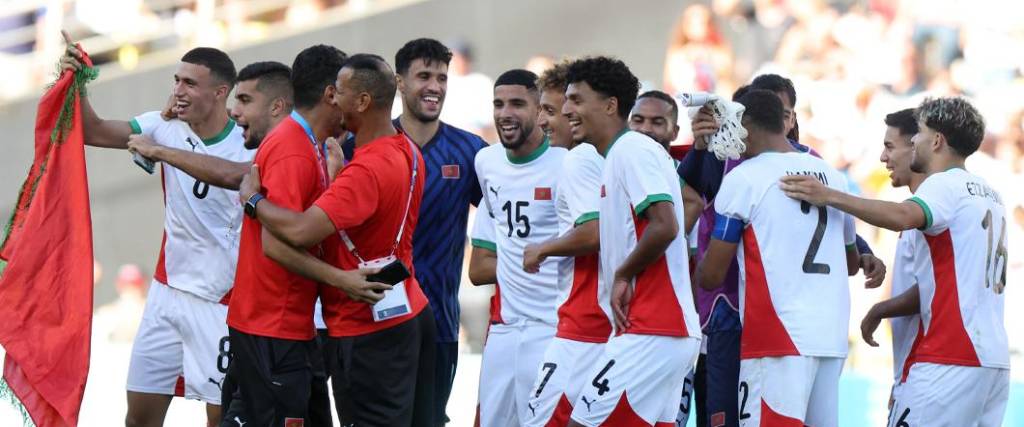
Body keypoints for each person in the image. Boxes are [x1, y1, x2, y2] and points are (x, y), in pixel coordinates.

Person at [782, 97, 1010, 426]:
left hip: (950, 356)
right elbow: (954, 279)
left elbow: (903, 215)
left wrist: (830, 195)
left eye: (919, 133)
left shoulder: (943, 186)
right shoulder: (990, 193)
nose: (914, 139)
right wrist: (883, 308)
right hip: (993, 361)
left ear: (936, 140)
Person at [60, 32, 249, 427]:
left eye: (190, 83)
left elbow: (237, 177)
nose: (178, 90)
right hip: (166, 295)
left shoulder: (248, 142)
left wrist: (161, 152)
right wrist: (75, 81)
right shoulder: (162, 125)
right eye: (176, 81)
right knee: (140, 418)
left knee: (221, 420)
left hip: (220, 301)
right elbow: (91, 131)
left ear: (220, 92)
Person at [240, 53, 436, 426]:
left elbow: (297, 230)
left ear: (363, 102)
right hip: (411, 309)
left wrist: (253, 199)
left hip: (366, 328)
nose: (333, 98)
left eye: (340, 92)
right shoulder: (407, 149)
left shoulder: (363, 171)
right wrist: (336, 178)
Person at [678, 74, 884, 427]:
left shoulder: (744, 177)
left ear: (745, 125)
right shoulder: (831, 176)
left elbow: (712, 275)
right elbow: (850, 262)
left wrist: (691, 265)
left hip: (775, 336)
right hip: (830, 337)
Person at [563, 56, 699, 427]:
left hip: (654, 328)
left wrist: (623, 274)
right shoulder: (619, 155)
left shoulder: (631, 150)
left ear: (609, 106)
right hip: (658, 330)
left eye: (576, 100)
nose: (566, 110)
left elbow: (665, 224)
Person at [386, 38, 489, 425]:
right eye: (423, 76)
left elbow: (504, 215)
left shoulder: (470, 150)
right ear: (399, 81)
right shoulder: (367, 146)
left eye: (442, 77)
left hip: (440, 322)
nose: (435, 86)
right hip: (375, 320)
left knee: (429, 420)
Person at [472, 69, 567, 427]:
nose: (504, 113)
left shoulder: (566, 163)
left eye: (517, 103)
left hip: (553, 326)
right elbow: (481, 263)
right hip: (505, 327)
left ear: (540, 109)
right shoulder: (487, 162)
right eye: (498, 104)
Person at [520, 60, 605, 427]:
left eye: (550, 110)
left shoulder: (580, 159)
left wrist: (543, 248)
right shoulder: (614, 156)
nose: (541, 121)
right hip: (604, 323)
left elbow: (595, 233)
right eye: (541, 110)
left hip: (583, 326)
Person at [856, 108, 924, 423]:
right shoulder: (918, 205)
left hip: (931, 369)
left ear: (919, 146)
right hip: (914, 370)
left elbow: (931, 291)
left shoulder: (930, 209)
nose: (883, 157)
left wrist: (879, 310)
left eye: (890, 146)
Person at [629, 90, 704, 234]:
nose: (645, 129)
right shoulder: (611, 164)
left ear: (674, 132)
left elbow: (694, 203)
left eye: (657, 123)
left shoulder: (687, 174)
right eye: (638, 120)